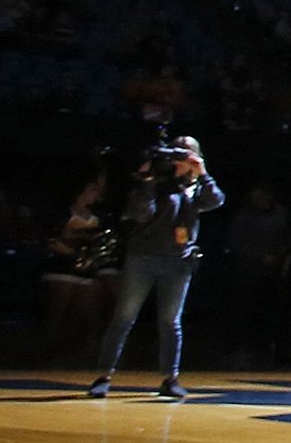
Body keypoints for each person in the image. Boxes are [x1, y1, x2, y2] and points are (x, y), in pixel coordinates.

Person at [89, 136, 224, 402]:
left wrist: (202, 174)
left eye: (187, 157)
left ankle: (169, 378)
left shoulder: (195, 189)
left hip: (179, 262)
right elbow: (140, 213)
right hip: (144, 257)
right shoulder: (157, 183)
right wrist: (148, 180)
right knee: (124, 317)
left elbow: (216, 200)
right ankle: (103, 376)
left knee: (170, 322)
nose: (180, 162)